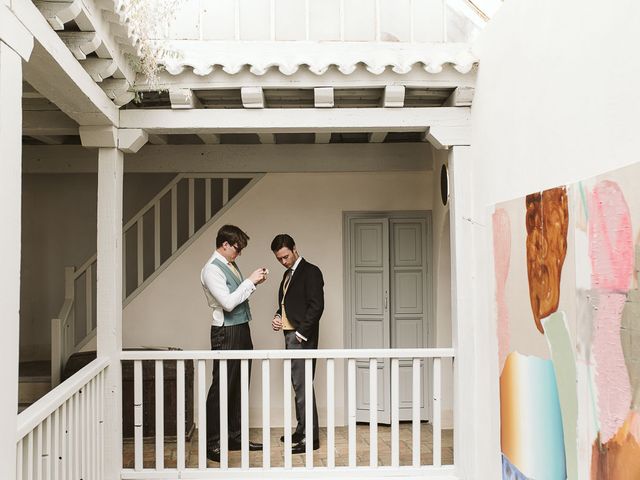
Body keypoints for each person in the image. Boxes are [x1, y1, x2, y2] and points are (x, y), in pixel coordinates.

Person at [201, 225, 267, 462]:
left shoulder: (230, 264)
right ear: (225, 244)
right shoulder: (211, 269)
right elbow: (228, 304)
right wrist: (250, 281)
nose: (238, 254)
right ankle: (213, 443)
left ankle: (235, 436)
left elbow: (237, 295)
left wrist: (252, 283)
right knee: (222, 387)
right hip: (225, 332)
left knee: (240, 383)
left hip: (241, 328)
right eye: (237, 249)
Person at [271, 234, 324, 453]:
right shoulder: (287, 274)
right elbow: (288, 303)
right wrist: (278, 316)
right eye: (279, 259)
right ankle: (302, 429)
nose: (284, 261)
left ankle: (311, 438)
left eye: (286, 256)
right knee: (298, 385)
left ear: (294, 248)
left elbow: (317, 306)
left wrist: (301, 334)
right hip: (289, 334)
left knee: (303, 387)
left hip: (301, 337)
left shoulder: (311, 271)